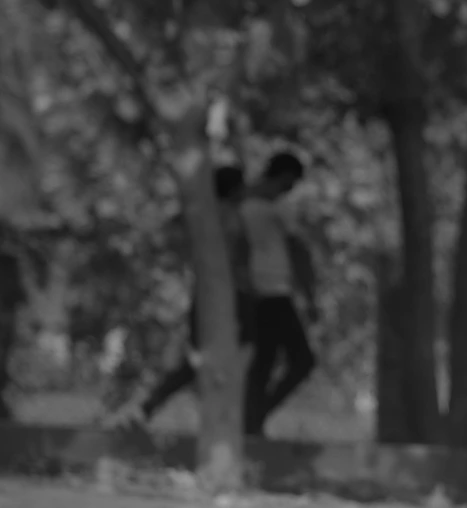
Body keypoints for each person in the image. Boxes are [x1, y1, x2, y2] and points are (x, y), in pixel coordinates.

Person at [108, 164, 254, 426]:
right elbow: (237, 261)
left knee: (198, 362)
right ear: (235, 189)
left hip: (206, 294)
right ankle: (223, 421)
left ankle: (148, 407)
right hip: (227, 297)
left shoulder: (205, 216)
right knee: (226, 359)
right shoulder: (230, 216)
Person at [239, 151, 317, 437]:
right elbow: (299, 252)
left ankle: (253, 423)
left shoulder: (241, 202)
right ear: (285, 177)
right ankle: (255, 417)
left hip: (254, 292)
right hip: (274, 292)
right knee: (302, 360)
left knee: (263, 363)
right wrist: (310, 295)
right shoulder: (278, 207)